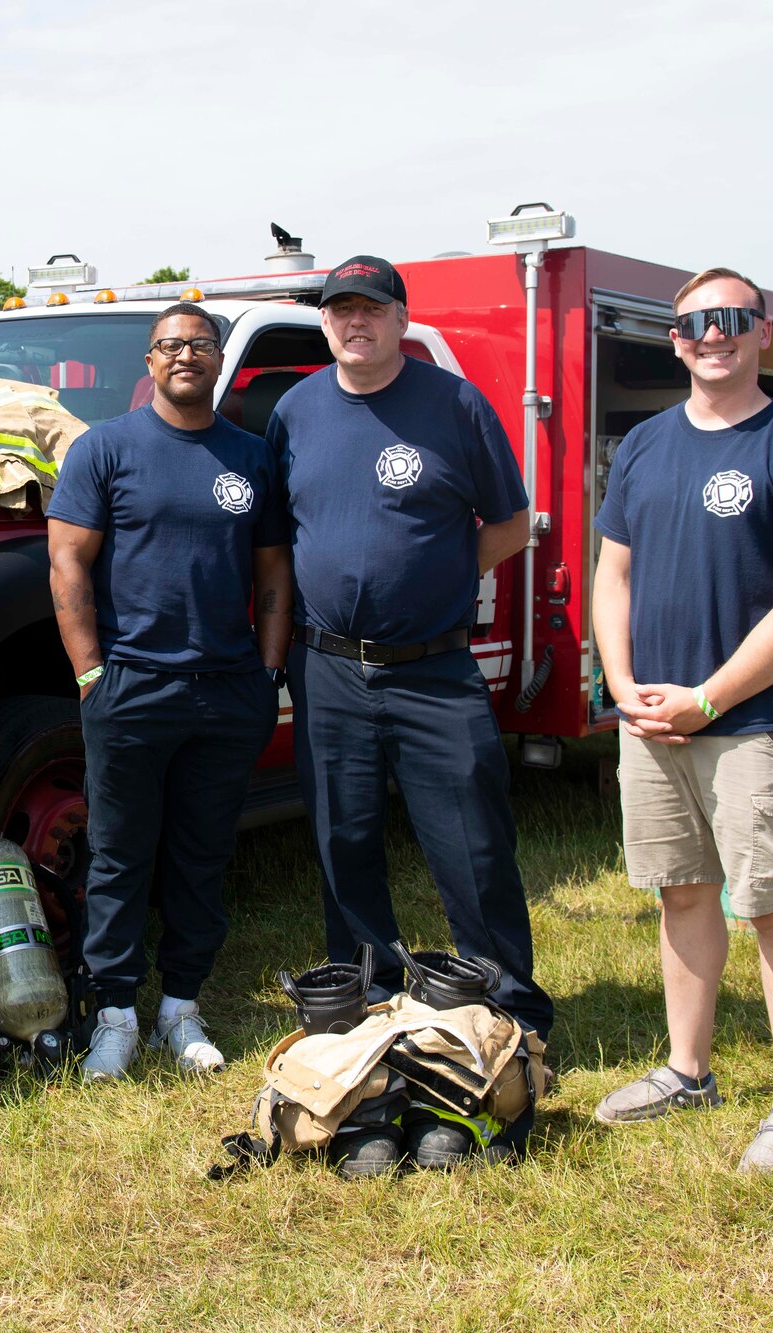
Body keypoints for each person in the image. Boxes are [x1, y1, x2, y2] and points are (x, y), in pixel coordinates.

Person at [267, 255, 551, 1167]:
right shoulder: (297, 411)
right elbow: (283, 530)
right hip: (329, 670)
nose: (355, 323)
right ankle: (361, 1015)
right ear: (327, 325)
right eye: (340, 310)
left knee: (471, 840)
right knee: (341, 840)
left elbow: (509, 522)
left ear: (399, 318)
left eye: (370, 309)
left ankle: (508, 1013)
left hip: (434, 670)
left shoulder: (453, 403)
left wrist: (438, 579)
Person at [591, 267, 773, 1173]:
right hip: (653, 720)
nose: (715, 334)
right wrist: (622, 682)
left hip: (754, 724)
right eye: (697, 322)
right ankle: (687, 1068)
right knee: (682, 892)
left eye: (733, 319)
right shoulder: (647, 446)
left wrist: (709, 697)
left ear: (762, 333)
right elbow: (612, 573)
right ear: (675, 339)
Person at [46, 302, 292, 1080]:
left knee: (201, 855)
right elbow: (67, 564)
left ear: (219, 361)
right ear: (148, 363)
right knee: (119, 855)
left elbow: (275, 574)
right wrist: (91, 674)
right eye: (170, 345)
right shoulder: (104, 450)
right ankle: (114, 1013)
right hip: (129, 687)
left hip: (227, 692)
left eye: (200, 344)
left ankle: (181, 1008)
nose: (186, 355)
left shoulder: (250, 459)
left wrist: (268, 672)